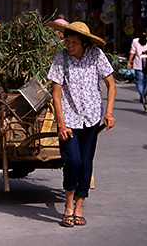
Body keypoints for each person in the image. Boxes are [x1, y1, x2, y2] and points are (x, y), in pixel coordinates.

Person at [48, 21, 116, 227]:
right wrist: (60, 124)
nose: (69, 45)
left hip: (92, 119)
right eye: (67, 41)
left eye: (74, 42)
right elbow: (56, 93)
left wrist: (109, 112)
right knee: (73, 161)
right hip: (69, 121)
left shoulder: (96, 55)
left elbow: (111, 84)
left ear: (84, 43)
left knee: (86, 164)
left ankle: (79, 207)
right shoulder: (61, 59)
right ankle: (68, 206)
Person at [127, 28, 147, 103]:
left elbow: (132, 52)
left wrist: (129, 62)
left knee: (139, 80)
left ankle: (142, 95)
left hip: (138, 63)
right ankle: (144, 94)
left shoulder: (135, 41)